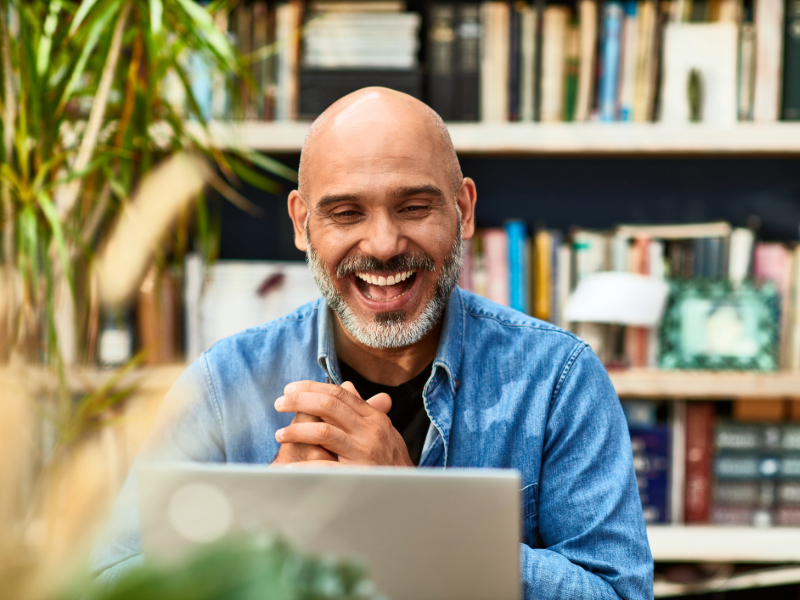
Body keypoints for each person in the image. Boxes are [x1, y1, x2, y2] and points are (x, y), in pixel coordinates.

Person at [91, 87, 653, 599]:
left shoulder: (559, 379)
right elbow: (109, 585)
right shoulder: (223, 384)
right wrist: (257, 532)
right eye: (345, 213)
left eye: (413, 206)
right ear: (301, 223)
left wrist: (413, 514)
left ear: (464, 210)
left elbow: (620, 595)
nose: (383, 245)